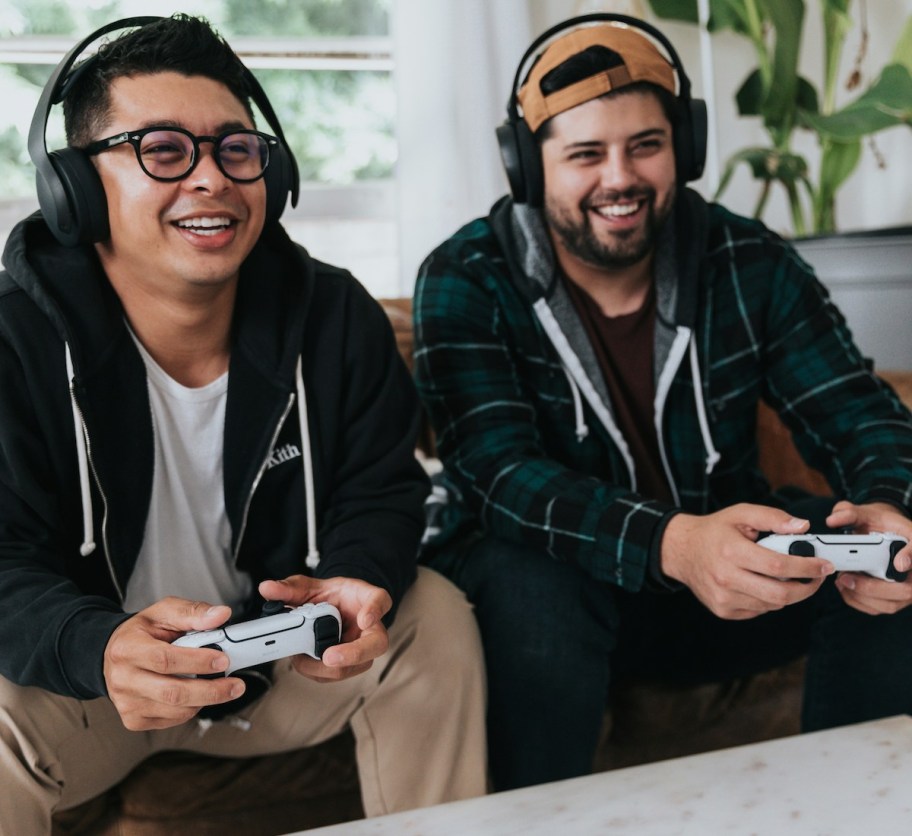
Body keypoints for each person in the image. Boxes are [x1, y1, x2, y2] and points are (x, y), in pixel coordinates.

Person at [0, 14, 486, 831]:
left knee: (432, 617)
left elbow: (382, 491)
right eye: (163, 151)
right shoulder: (15, 341)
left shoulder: (334, 316)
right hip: (94, 684)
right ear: (75, 189)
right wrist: (95, 647)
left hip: (278, 664)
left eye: (236, 149)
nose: (212, 179)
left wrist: (356, 577)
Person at [413, 13, 912, 792]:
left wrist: (886, 504)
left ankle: (852, 812)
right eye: (586, 154)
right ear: (527, 167)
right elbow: (498, 474)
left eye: (645, 145)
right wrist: (672, 543)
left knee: (890, 563)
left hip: (724, 581)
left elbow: (855, 410)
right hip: (556, 596)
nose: (621, 178)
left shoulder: (747, 259)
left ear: (684, 147)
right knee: (530, 586)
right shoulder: (466, 276)